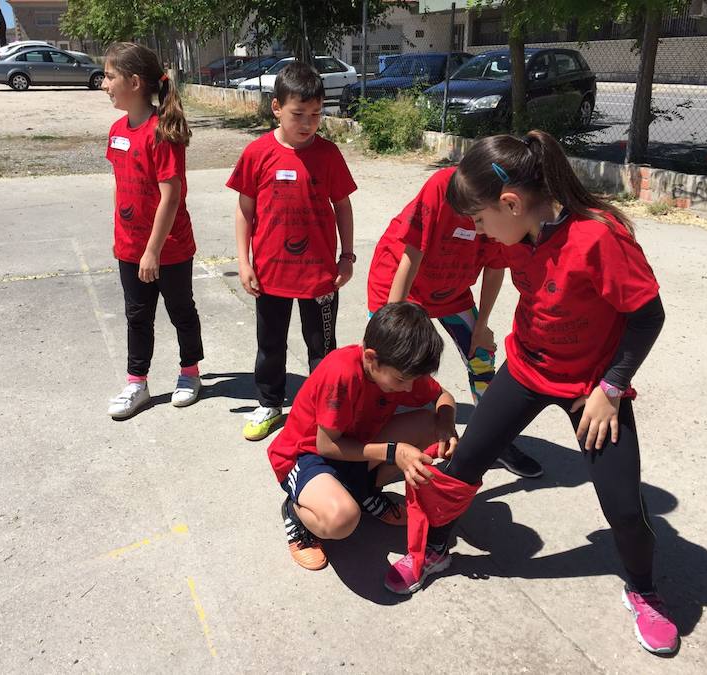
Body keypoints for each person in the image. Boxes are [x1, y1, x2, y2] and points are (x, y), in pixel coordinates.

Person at [385, 130, 678, 655]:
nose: (476, 233)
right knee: (461, 466)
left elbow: (648, 316)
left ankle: (645, 590)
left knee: (625, 508)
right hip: (526, 368)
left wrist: (611, 387)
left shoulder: (599, 238)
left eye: (479, 220)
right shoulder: (519, 234)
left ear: (512, 203)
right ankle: (434, 550)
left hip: (591, 386)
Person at [367, 167, 543, 479]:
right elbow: (412, 252)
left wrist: (482, 325)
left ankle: (494, 441)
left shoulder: (503, 210)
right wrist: (393, 318)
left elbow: (495, 267)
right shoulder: (442, 187)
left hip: (452, 289)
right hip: (401, 282)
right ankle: (370, 434)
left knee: (482, 358)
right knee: (389, 362)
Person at [269, 302, 459, 570]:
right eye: (402, 380)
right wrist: (394, 451)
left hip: (356, 444)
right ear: (370, 358)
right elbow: (327, 445)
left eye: (414, 380)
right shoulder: (341, 373)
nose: (409, 389)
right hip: (308, 455)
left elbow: (442, 396)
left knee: (430, 425)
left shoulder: (400, 368)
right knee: (342, 519)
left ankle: (363, 490)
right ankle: (297, 513)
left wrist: (446, 423)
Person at [227, 62, 357, 441]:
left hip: (320, 277)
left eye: (316, 114)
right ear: (276, 108)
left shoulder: (329, 154)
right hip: (270, 273)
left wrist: (346, 257)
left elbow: (343, 207)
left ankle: (322, 412)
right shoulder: (257, 153)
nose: (308, 123)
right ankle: (269, 403)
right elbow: (244, 209)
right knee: (270, 344)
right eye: (298, 114)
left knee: (322, 349)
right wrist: (243, 261)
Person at [102, 42, 203, 419]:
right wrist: (124, 237)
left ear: (134, 82)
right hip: (129, 247)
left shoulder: (162, 132)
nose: (105, 84)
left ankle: (190, 372)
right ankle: (137, 383)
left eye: (110, 77)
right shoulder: (116, 130)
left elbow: (171, 196)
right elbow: (119, 182)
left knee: (180, 310)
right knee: (137, 316)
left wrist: (152, 250)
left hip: (168, 248)